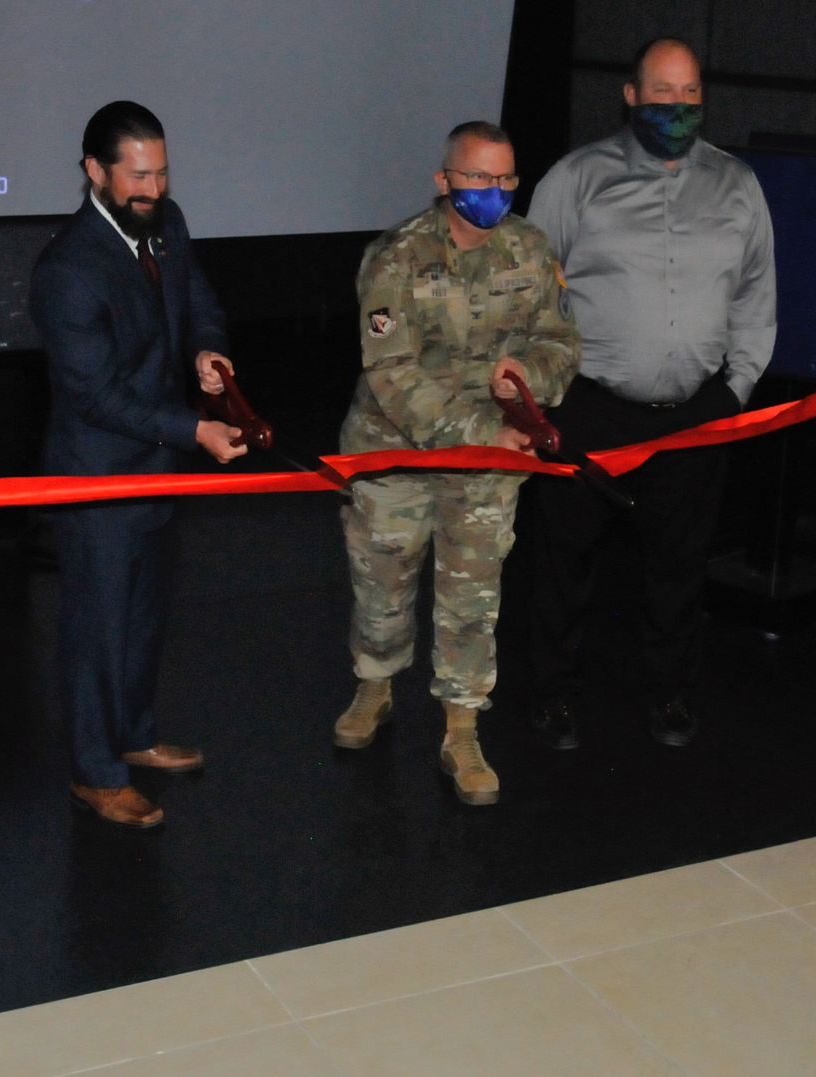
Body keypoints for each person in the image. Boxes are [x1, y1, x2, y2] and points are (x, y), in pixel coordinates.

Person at [524, 37, 775, 751]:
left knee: (678, 565)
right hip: (589, 405)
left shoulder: (737, 185)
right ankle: (552, 696)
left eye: (690, 92)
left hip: (697, 413)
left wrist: (735, 390)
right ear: (630, 96)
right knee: (563, 561)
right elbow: (529, 293)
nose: (677, 105)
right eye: (662, 91)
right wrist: (542, 398)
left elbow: (758, 297)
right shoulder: (574, 179)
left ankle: (670, 694)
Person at [332, 121, 580, 805]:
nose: (493, 192)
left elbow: (560, 341)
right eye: (477, 178)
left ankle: (462, 726)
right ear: (444, 182)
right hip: (393, 447)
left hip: (489, 455)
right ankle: (375, 684)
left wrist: (525, 374)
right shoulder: (395, 257)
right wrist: (478, 427)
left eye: (505, 179)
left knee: (472, 595)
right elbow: (391, 375)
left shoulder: (529, 249)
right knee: (381, 584)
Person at [29, 101, 245, 828]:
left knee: (145, 615)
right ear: (95, 171)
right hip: (99, 474)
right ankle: (95, 772)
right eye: (138, 174)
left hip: (160, 467)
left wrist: (205, 354)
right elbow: (94, 395)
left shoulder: (168, 223)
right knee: (98, 627)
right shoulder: (67, 266)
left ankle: (134, 735)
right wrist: (194, 427)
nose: (153, 187)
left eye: (161, 171)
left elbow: (199, 302)